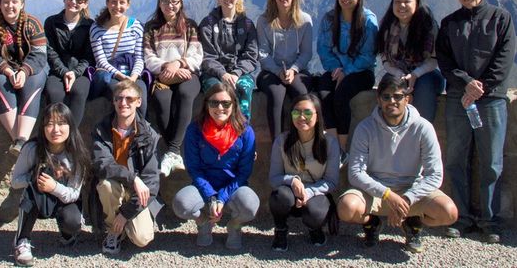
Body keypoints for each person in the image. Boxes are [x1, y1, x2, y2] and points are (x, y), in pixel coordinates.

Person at [436, 0, 515, 243]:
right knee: (457, 158)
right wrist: (466, 83)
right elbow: (444, 61)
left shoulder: (501, 19)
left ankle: (489, 220)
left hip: (491, 100)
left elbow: (505, 59)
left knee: (491, 161)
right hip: (459, 99)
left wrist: (481, 87)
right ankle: (460, 217)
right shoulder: (449, 24)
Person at [337, 74, 458, 253]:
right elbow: (355, 173)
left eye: (398, 96)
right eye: (386, 96)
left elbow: (434, 174)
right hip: (377, 192)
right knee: (347, 208)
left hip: (412, 190)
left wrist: (407, 199)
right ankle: (373, 222)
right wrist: (387, 194)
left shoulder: (423, 128)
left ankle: (412, 221)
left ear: (407, 99)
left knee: (448, 213)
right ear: (378, 100)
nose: (392, 101)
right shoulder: (365, 128)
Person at [172, 83, 259, 249]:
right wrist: (211, 197)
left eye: (226, 103)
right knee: (181, 205)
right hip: (204, 184)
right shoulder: (194, 130)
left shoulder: (246, 131)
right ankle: (204, 222)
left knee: (250, 206)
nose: (220, 107)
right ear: (206, 105)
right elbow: (194, 168)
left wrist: (222, 197)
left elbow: (244, 172)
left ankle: (234, 225)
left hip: (234, 186)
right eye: (214, 103)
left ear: (234, 105)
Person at [11, 102, 90, 266]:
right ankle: (22, 241)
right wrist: (35, 178)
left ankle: (67, 234)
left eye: (61, 123)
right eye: (49, 124)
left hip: (63, 200)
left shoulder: (77, 154)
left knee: (72, 221)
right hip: (38, 197)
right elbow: (15, 182)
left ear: (70, 126)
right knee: (30, 194)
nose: (56, 130)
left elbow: (74, 193)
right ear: (42, 127)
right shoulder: (32, 149)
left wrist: (54, 186)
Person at [92, 80, 162, 255]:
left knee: (142, 238)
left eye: (129, 99)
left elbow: (152, 183)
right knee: (106, 185)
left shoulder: (149, 135)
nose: (124, 103)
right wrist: (132, 178)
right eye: (119, 98)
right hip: (114, 184)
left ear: (139, 101)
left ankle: (124, 220)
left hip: (137, 193)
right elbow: (102, 164)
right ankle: (113, 231)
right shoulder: (102, 129)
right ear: (113, 102)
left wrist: (126, 214)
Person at [0, 0, 48, 156]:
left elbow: (40, 54)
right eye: (6, 2)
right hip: (1, 70)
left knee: (35, 81)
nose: (10, 6)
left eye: (14, 2)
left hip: (30, 69)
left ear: (22, 4)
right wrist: (8, 71)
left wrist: (24, 71)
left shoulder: (32, 23)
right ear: (0, 4)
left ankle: (22, 139)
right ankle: (22, 143)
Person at [143, 0, 203, 177]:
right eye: (165, 1)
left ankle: (172, 151)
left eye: (174, 1)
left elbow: (197, 55)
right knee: (161, 99)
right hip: (163, 76)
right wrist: (165, 68)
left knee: (186, 94)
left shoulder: (190, 26)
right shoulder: (151, 28)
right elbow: (148, 56)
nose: (170, 5)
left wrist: (178, 64)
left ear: (181, 3)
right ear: (159, 3)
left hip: (187, 74)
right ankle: (174, 152)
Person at [269, 93, 339, 250]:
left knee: (315, 212)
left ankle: (314, 228)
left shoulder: (329, 143)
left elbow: (332, 181)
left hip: (315, 193)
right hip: (290, 192)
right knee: (280, 196)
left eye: (307, 112)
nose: (301, 117)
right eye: (296, 112)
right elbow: (274, 178)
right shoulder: (282, 141)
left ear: (317, 115)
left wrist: (308, 192)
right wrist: (291, 180)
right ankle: (280, 229)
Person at [317, 0, 378, 152]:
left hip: (361, 71)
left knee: (341, 96)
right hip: (336, 68)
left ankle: (343, 148)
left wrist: (348, 71)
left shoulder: (368, 20)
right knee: (324, 92)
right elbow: (323, 48)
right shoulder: (330, 19)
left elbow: (368, 54)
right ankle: (332, 143)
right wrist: (336, 68)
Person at [376, 0, 445, 122]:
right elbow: (385, 60)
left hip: (426, 73)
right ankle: (389, 128)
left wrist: (415, 74)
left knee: (424, 86)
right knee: (388, 85)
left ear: (416, 3)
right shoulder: (387, 27)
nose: (401, 6)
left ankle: (421, 130)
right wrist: (399, 74)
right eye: (397, 2)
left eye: (407, 1)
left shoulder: (428, 26)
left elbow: (434, 59)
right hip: (398, 72)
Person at [256, 0, 314, 140]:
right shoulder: (264, 21)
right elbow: (263, 53)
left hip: (298, 69)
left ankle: (304, 140)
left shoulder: (305, 20)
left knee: (301, 93)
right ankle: (278, 145)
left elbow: (306, 53)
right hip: (270, 71)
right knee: (276, 94)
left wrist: (294, 70)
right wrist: (277, 71)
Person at [199, 0, 259, 120]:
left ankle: (242, 129)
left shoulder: (247, 25)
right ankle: (216, 132)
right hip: (214, 74)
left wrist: (236, 73)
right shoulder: (207, 24)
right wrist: (222, 74)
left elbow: (251, 55)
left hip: (240, 72)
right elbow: (207, 56)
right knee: (217, 94)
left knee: (244, 88)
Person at [89, 0, 147, 118]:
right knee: (121, 96)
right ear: (107, 3)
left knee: (140, 96)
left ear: (128, 5)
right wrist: (121, 77)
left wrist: (132, 77)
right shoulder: (97, 28)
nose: (117, 6)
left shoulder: (136, 26)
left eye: (122, 2)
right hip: (112, 75)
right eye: (113, 2)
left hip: (133, 73)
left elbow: (139, 57)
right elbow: (101, 61)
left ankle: (141, 133)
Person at [44, 0, 95, 126]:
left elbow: (89, 56)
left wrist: (75, 72)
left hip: (81, 73)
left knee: (79, 92)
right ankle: (55, 133)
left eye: (79, 0)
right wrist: (65, 72)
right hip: (57, 71)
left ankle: (71, 138)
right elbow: (50, 51)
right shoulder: (51, 22)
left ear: (85, 4)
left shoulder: (90, 26)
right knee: (54, 93)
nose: (73, 2)